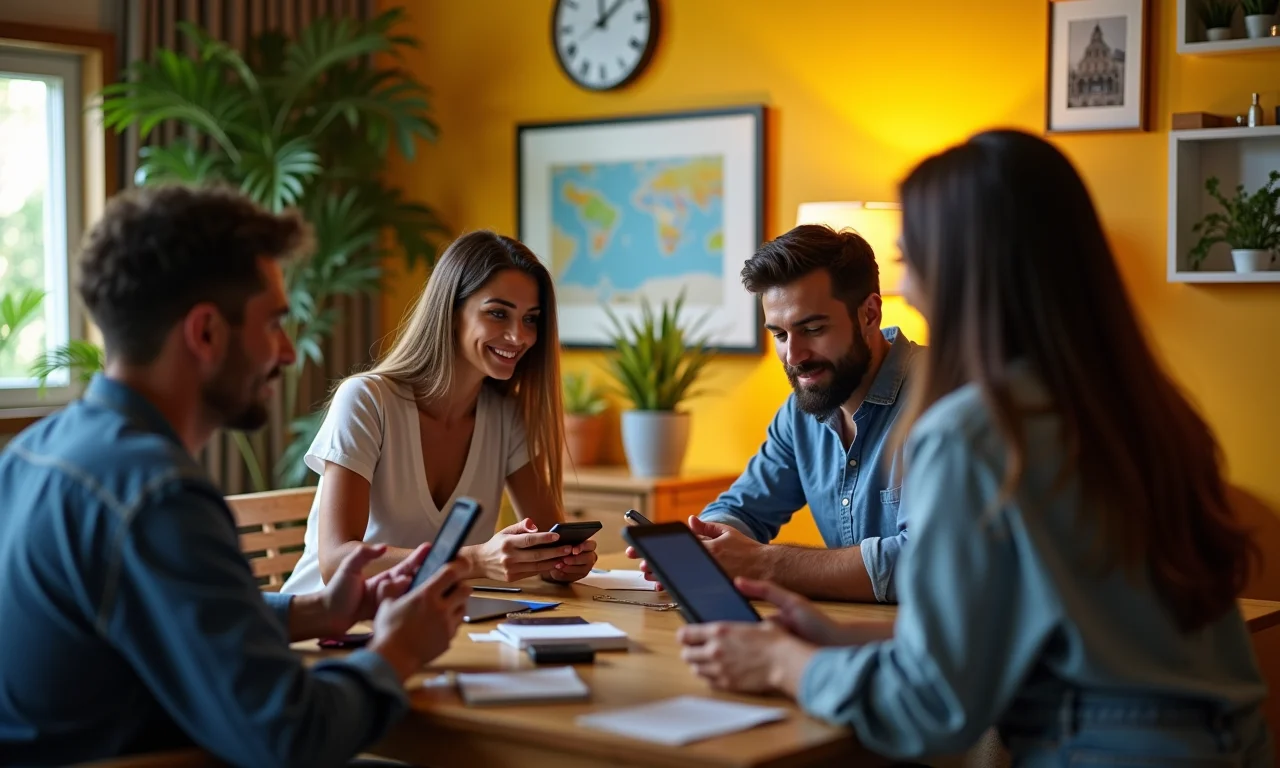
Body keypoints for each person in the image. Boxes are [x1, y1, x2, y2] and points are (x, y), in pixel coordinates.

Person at [677, 130, 1272, 765]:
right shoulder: (1140, 405)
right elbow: (1038, 623)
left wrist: (784, 664)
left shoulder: (972, 429)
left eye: (911, 258)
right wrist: (844, 640)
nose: (911, 283)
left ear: (963, 267)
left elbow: (933, 709)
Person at [0, 185, 472, 767]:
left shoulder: (33, 453)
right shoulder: (160, 496)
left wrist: (319, 611)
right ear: (205, 333)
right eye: (274, 322)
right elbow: (291, 737)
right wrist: (399, 651)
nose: (289, 351)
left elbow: (170, 618)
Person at [280, 230, 596, 596]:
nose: (518, 336)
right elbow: (337, 563)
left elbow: (548, 541)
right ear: (451, 311)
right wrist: (474, 561)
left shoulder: (505, 418)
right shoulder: (367, 400)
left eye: (530, 319)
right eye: (498, 313)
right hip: (321, 629)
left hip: (427, 626)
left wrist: (563, 561)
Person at [629, 224, 922, 602]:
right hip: (848, 637)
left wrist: (763, 563)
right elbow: (743, 508)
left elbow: (925, 562)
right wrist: (705, 545)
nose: (794, 357)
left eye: (812, 329)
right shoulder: (803, 410)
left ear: (869, 314)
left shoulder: (941, 398)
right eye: (780, 335)